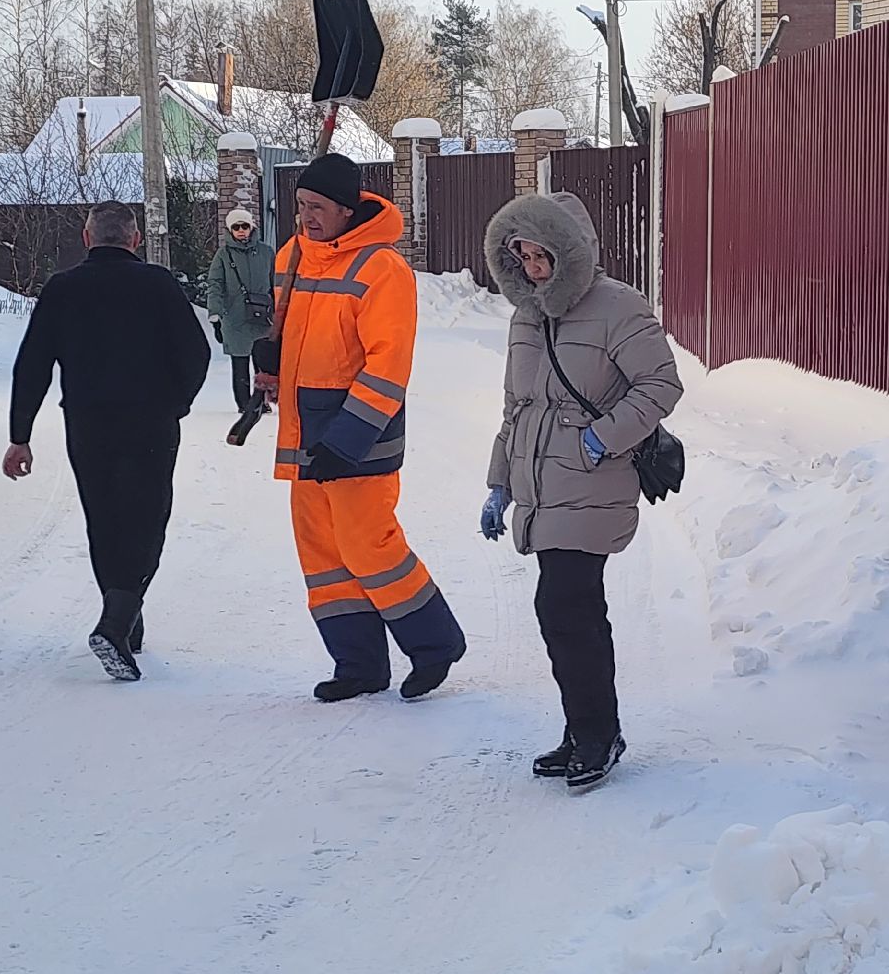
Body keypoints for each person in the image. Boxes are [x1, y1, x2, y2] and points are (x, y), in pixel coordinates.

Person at [479, 192, 683, 790]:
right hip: (542, 486)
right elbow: (517, 408)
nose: (533, 267)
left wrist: (603, 436)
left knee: (565, 609)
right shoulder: (526, 315)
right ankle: (586, 732)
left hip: (593, 481)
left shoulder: (618, 306)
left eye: (543, 255)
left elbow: (660, 384)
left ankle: (597, 735)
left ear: (570, 253)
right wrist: (499, 483)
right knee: (571, 615)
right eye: (522, 255)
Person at [252, 153, 467, 702]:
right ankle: (359, 664)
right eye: (300, 207)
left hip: (358, 438)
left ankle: (434, 644)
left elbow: (387, 364)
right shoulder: (292, 259)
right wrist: (270, 361)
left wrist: (347, 442)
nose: (307, 218)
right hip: (304, 434)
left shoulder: (382, 269)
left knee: (368, 544)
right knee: (322, 554)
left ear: (347, 211)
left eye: (318, 208)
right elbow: (290, 332)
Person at [2, 202, 210, 681]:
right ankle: (117, 620)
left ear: (87, 237)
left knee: (105, 519)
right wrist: (176, 402)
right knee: (146, 520)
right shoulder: (158, 285)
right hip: (150, 423)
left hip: (88, 424)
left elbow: (31, 364)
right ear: (134, 240)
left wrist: (20, 436)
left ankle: (123, 616)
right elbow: (196, 354)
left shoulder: (62, 289)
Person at [207, 208, 277, 444]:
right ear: (229, 230)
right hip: (235, 318)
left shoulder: (267, 253)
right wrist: (215, 315)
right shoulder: (223, 255)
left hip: (263, 317)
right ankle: (244, 404)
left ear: (251, 227)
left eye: (244, 226)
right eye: (236, 227)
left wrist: (281, 313)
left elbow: (276, 283)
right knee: (239, 361)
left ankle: (260, 402)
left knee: (264, 363)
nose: (241, 231)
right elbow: (215, 284)